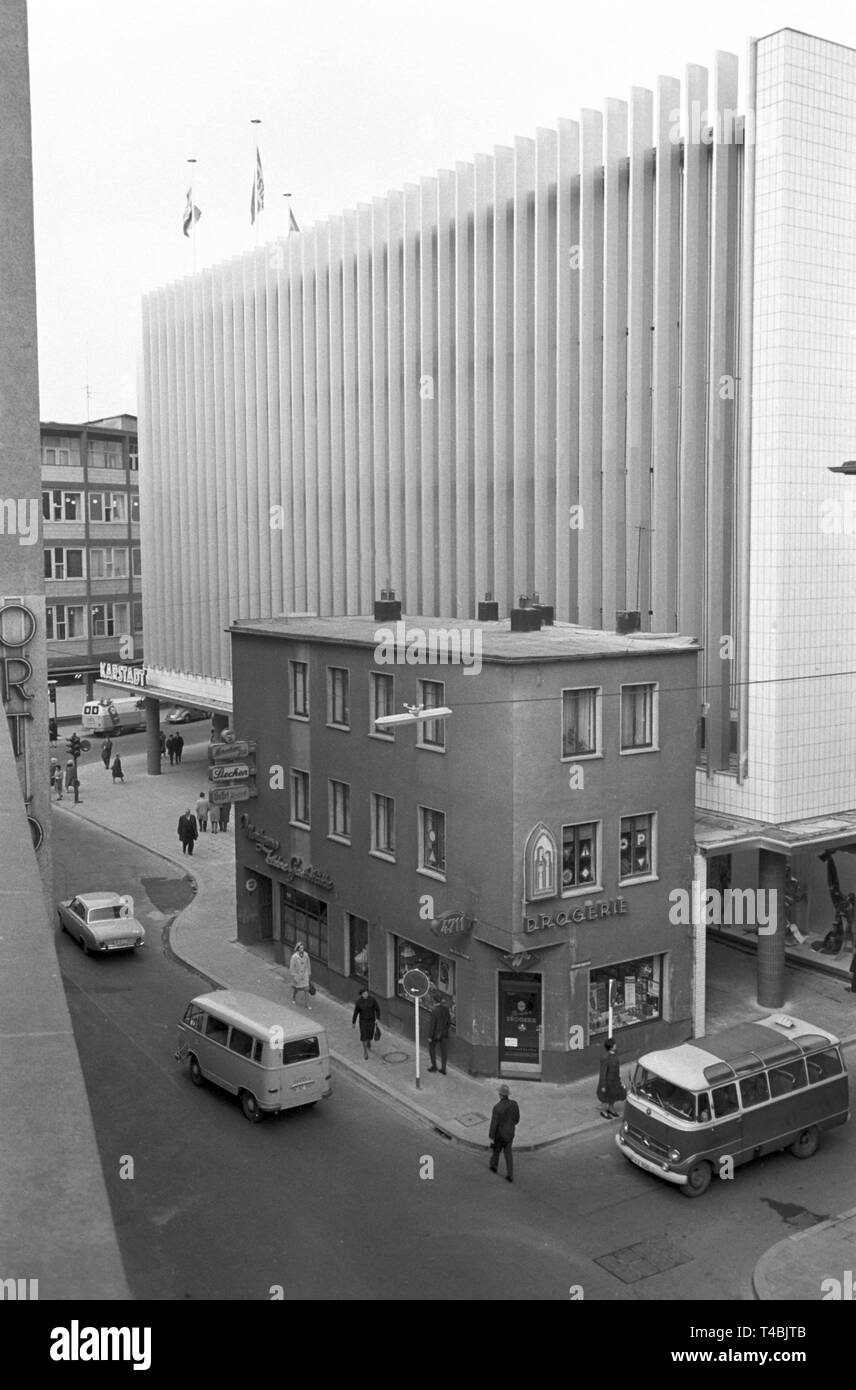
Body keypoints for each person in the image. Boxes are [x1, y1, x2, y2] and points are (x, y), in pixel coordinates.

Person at [489, 1083, 520, 1182]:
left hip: (499, 1135)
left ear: (501, 1095)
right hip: (510, 1133)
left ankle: (494, 1166)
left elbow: (494, 1123)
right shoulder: (514, 1104)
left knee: (496, 1150)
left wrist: (491, 1136)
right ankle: (510, 1175)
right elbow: (516, 1119)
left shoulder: (497, 1107)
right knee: (508, 1153)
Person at [597, 1037, 625, 1119]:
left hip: (615, 1081)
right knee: (605, 1098)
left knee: (613, 1096)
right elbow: (603, 1073)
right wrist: (603, 1085)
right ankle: (603, 1111)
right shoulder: (605, 1058)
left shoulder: (615, 1055)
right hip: (608, 1082)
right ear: (611, 1046)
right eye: (614, 1044)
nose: (616, 1045)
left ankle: (611, 1108)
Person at [352, 985, 380, 1060]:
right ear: (361, 995)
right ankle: (365, 1052)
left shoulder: (372, 1000)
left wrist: (377, 1018)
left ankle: (369, 1041)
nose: (366, 994)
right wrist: (353, 1022)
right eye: (364, 993)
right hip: (363, 1022)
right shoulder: (358, 1002)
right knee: (363, 1036)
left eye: (366, 993)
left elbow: (377, 1009)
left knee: (370, 1034)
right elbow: (356, 1013)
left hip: (371, 1020)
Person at [427, 992, 452, 1074]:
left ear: (434, 1001)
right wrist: (445, 1030)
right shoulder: (446, 1009)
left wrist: (430, 1036)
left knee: (431, 1048)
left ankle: (434, 1066)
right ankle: (443, 1069)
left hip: (436, 1034)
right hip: (444, 1033)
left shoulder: (434, 1011)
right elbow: (449, 1022)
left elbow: (432, 1025)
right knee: (444, 1051)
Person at [289, 941, 312, 1009]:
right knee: (297, 989)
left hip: (304, 975)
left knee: (306, 989)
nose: (302, 949)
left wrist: (309, 973)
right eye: (301, 948)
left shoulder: (306, 955)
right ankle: (293, 997)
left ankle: (307, 1004)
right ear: (298, 949)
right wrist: (294, 976)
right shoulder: (294, 957)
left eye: (303, 948)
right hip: (298, 976)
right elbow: (292, 967)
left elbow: (308, 964)